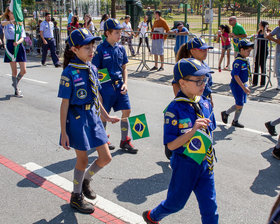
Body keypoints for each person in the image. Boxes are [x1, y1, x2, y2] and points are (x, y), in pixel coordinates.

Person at [142, 57, 218, 224]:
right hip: (185, 165)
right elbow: (171, 145)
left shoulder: (205, 103)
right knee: (175, 204)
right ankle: (152, 216)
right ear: (182, 83)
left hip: (205, 163)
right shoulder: (174, 109)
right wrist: (193, 130)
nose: (203, 84)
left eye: (204, 80)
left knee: (210, 208)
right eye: (198, 81)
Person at [58, 28, 119, 214]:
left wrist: (106, 116)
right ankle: (76, 197)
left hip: (93, 117)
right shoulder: (69, 72)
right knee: (82, 160)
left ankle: (85, 180)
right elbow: (64, 104)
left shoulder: (93, 68)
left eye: (93, 46)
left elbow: (96, 97)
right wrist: (64, 132)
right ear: (75, 50)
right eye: (87, 47)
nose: (92, 50)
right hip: (77, 119)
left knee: (106, 157)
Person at [92, 18, 138, 154]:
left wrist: (125, 83)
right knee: (104, 114)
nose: (120, 35)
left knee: (127, 110)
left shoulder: (121, 48)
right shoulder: (99, 49)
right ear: (108, 33)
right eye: (117, 32)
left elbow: (124, 68)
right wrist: (98, 92)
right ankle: (103, 138)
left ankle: (124, 140)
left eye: (120, 32)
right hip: (105, 86)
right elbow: (94, 70)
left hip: (119, 86)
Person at [221, 39, 254, 128]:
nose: (249, 53)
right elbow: (236, 76)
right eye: (248, 51)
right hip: (237, 85)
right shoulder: (238, 62)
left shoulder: (244, 60)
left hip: (243, 84)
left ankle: (235, 121)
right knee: (239, 104)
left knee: (241, 103)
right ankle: (226, 113)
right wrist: (244, 87)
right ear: (241, 50)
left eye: (250, 51)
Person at [1, 7, 27, 97]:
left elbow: (23, 36)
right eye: (12, 12)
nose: (13, 14)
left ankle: (15, 83)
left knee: (23, 70)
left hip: (19, 45)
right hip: (10, 46)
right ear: (8, 13)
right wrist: (10, 22)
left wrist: (18, 42)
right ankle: (16, 89)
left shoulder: (19, 23)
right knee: (14, 71)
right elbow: (2, 24)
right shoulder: (6, 23)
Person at [265, 19, 280, 90]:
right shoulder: (277, 29)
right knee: (278, 68)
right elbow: (268, 36)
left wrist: (273, 39)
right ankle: (279, 84)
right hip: (278, 51)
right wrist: (274, 39)